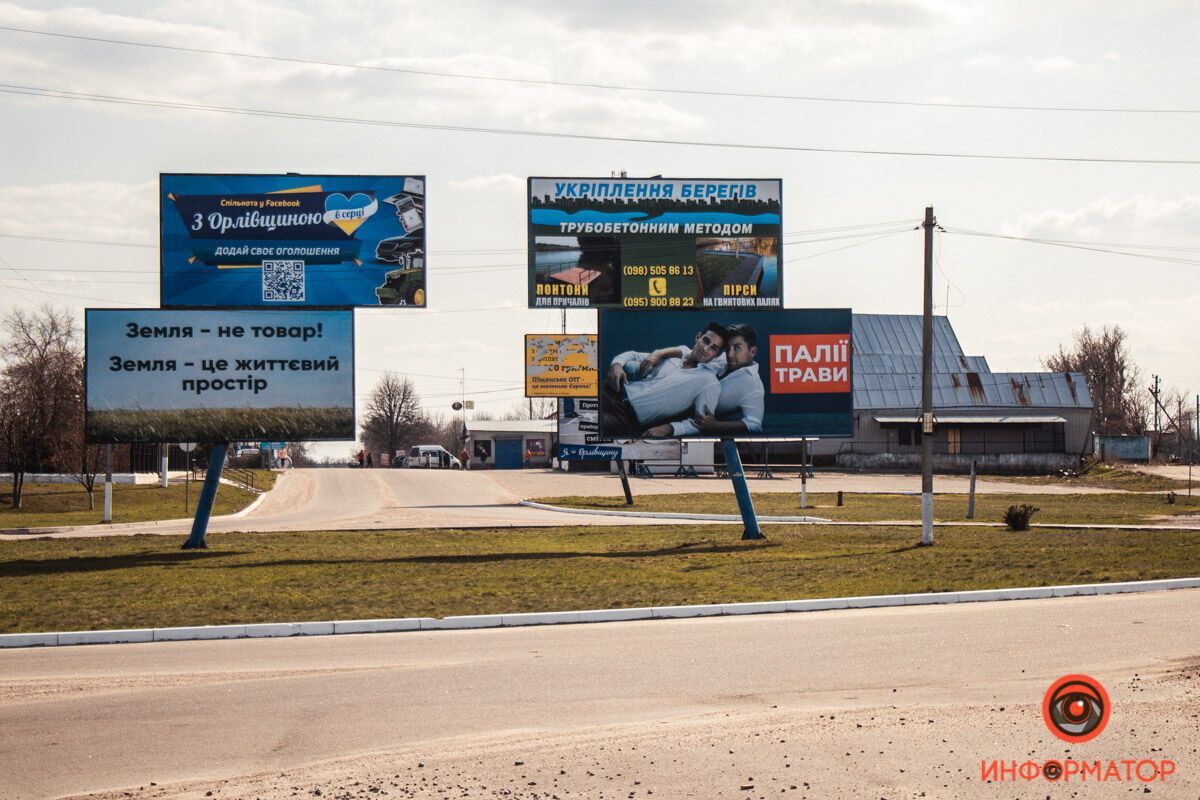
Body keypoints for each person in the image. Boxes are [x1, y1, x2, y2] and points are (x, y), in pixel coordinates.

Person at [602, 323, 727, 436]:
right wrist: (616, 365)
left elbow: (701, 423)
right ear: (698, 337)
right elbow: (634, 355)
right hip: (613, 390)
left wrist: (670, 429)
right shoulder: (674, 357)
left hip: (625, 417)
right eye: (705, 341)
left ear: (717, 355)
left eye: (713, 348)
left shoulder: (709, 382)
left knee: (588, 424)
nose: (706, 349)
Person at [645, 322, 765, 437]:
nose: (730, 354)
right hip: (658, 396)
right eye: (728, 348)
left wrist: (717, 426)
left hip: (681, 421)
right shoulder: (722, 358)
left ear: (752, 351)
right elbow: (691, 353)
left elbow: (754, 423)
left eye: (737, 348)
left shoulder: (753, 384)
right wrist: (659, 353)